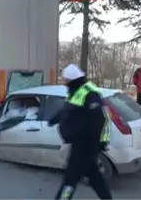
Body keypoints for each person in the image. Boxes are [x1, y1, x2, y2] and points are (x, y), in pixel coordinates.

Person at [49, 64, 113, 200]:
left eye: (66, 80)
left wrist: (97, 142)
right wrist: (54, 119)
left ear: (72, 80)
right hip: (81, 144)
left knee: (70, 180)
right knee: (95, 178)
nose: (64, 83)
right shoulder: (76, 92)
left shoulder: (90, 94)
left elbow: (101, 118)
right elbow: (68, 110)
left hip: (84, 146)